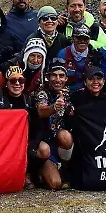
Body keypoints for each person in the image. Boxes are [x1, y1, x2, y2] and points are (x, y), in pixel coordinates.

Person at [30, 61, 74, 190]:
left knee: (65, 135)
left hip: (60, 144)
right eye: (54, 75)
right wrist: (54, 108)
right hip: (42, 144)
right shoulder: (41, 91)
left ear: (66, 78)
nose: (58, 79)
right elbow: (41, 110)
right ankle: (35, 172)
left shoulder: (67, 93)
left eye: (61, 76)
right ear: (48, 77)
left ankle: (65, 168)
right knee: (55, 185)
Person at [57, 24, 101, 91]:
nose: (82, 41)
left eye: (85, 38)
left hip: (88, 91)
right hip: (67, 90)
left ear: (89, 40)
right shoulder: (62, 54)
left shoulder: (94, 54)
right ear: (73, 38)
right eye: (79, 38)